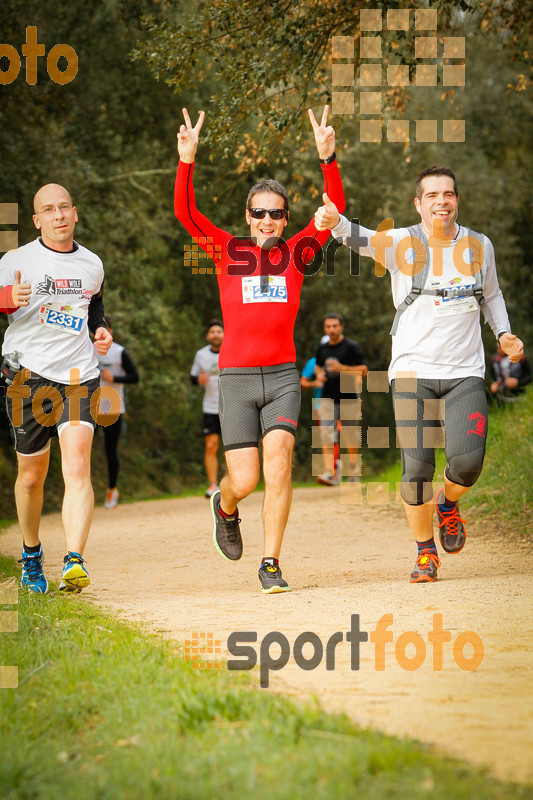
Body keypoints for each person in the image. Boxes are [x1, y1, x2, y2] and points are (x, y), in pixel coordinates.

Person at [314, 165, 525, 583]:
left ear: (457, 200)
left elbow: (492, 294)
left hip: (465, 371)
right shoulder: (401, 243)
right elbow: (360, 239)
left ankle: (447, 503)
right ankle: (425, 552)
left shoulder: (480, 245)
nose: (441, 201)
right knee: (416, 468)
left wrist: (503, 333)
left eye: (448, 194)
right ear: (418, 203)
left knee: (467, 463)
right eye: (432, 195)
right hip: (412, 371)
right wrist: (335, 221)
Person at [175, 105, 345, 592]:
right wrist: (187, 160)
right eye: (259, 213)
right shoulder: (227, 251)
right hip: (237, 380)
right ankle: (225, 505)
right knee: (245, 481)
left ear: (286, 219)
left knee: (280, 460)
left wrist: (327, 158)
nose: (268, 220)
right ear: (248, 218)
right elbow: (185, 214)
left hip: (284, 378)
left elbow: (332, 215)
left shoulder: (298, 254)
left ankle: (270, 563)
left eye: (276, 213)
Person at [0, 183, 112, 594]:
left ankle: (73, 561)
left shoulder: (92, 263)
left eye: (64, 207)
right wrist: (7, 296)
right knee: (31, 477)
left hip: (78, 376)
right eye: (49, 210)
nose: (59, 215)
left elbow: (94, 303)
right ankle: (31, 555)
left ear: (75, 213)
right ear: (37, 220)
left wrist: (99, 329)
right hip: (26, 378)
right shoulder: (16, 259)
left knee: (78, 466)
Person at [315, 313, 367, 485]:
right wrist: (319, 376)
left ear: (341, 327)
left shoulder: (351, 347)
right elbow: (318, 367)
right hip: (327, 397)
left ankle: (353, 472)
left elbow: (364, 370)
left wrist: (341, 368)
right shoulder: (322, 349)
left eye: (335, 326)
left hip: (349, 396)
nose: (332, 329)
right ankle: (330, 472)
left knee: (350, 436)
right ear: (325, 328)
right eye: (328, 326)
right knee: (327, 436)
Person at [95, 314, 139, 509]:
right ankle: (80, 491)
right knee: (81, 450)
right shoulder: (86, 351)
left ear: (110, 331)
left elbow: (135, 377)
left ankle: (112, 490)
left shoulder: (120, 352)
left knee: (110, 451)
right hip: (89, 407)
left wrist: (114, 379)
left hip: (113, 408)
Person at [190, 319, 224, 498]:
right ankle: (213, 485)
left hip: (232, 406)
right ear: (207, 336)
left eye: (219, 331)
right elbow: (193, 377)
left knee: (233, 447)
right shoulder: (201, 354)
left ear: (224, 334)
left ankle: (234, 481)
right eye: (213, 331)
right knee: (211, 446)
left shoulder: (231, 351)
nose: (216, 334)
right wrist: (198, 380)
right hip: (210, 407)